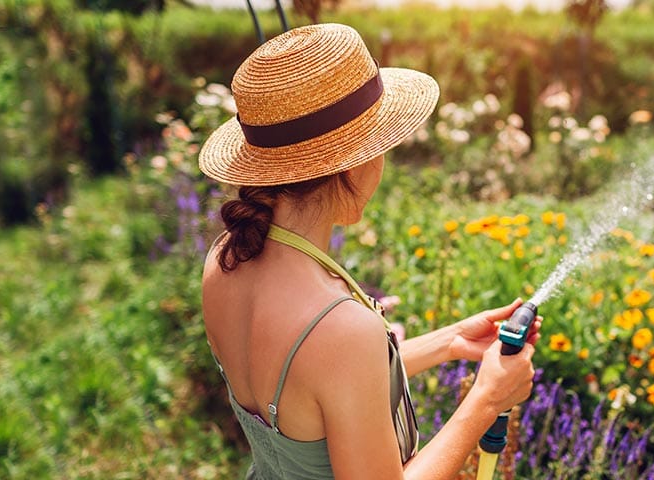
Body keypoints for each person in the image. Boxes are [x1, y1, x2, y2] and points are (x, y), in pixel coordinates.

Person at [198, 23, 540, 480]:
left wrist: (449, 342)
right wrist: (486, 401)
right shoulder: (338, 327)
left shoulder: (225, 260)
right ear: (353, 161)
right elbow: (334, 357)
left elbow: (320, 387)